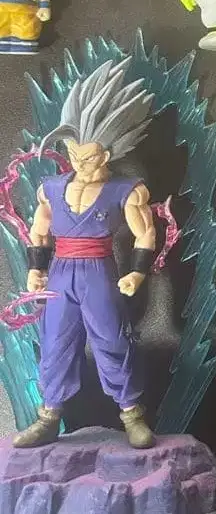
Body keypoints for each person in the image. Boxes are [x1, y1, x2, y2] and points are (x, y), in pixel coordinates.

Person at [13, 58, 157, 449]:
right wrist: (35, 268)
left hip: (98, 271)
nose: (78, 162)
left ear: (106, 155)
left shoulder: (125, 191)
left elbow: (146, 234)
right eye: (73, 153)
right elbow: (39, 230)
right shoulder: (51, 188)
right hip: (60, 273)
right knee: (55, 341)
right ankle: (48, 416)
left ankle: (132, 414)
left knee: (111, 339)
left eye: (88, 156)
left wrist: (138, 273)